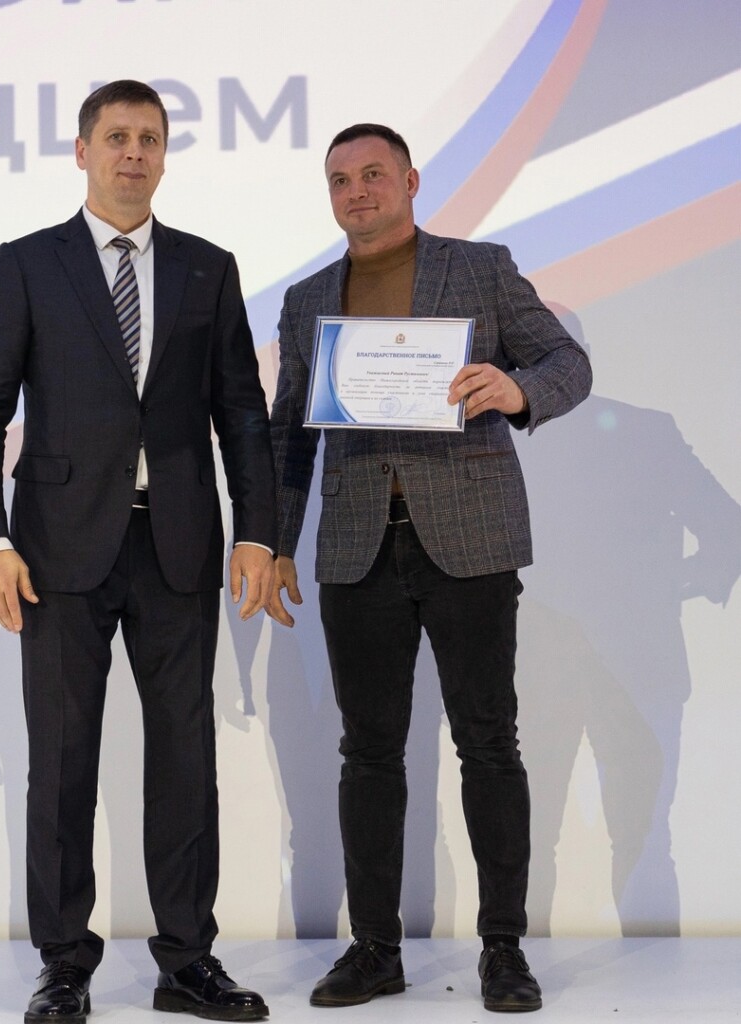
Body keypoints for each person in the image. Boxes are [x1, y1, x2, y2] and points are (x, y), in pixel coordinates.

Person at [0, 80, 276, 1024]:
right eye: (117, 136)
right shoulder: (27, 264)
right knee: (61, 762)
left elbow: (241, 411)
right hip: (54, 551)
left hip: (178, 544)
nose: (134, 152)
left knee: (184, 757)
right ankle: (63, 964)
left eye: (150, 138)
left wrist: (257, 531)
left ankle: (187, 963)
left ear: (164, 154)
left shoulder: (207, 267)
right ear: (83, 151)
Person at [267, 123, 592, 1013]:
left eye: (373, 174)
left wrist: (517, 390)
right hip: (356, 544)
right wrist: (274, 540)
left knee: (487, 742)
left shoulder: (480, 268)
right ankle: (375, 948)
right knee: (366, 751)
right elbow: (289, 431)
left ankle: (502, 949)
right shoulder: (306, 300)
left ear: (410, 181)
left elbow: (567, 361)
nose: (357, 192)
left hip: (471, 536)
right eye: (340, 180)